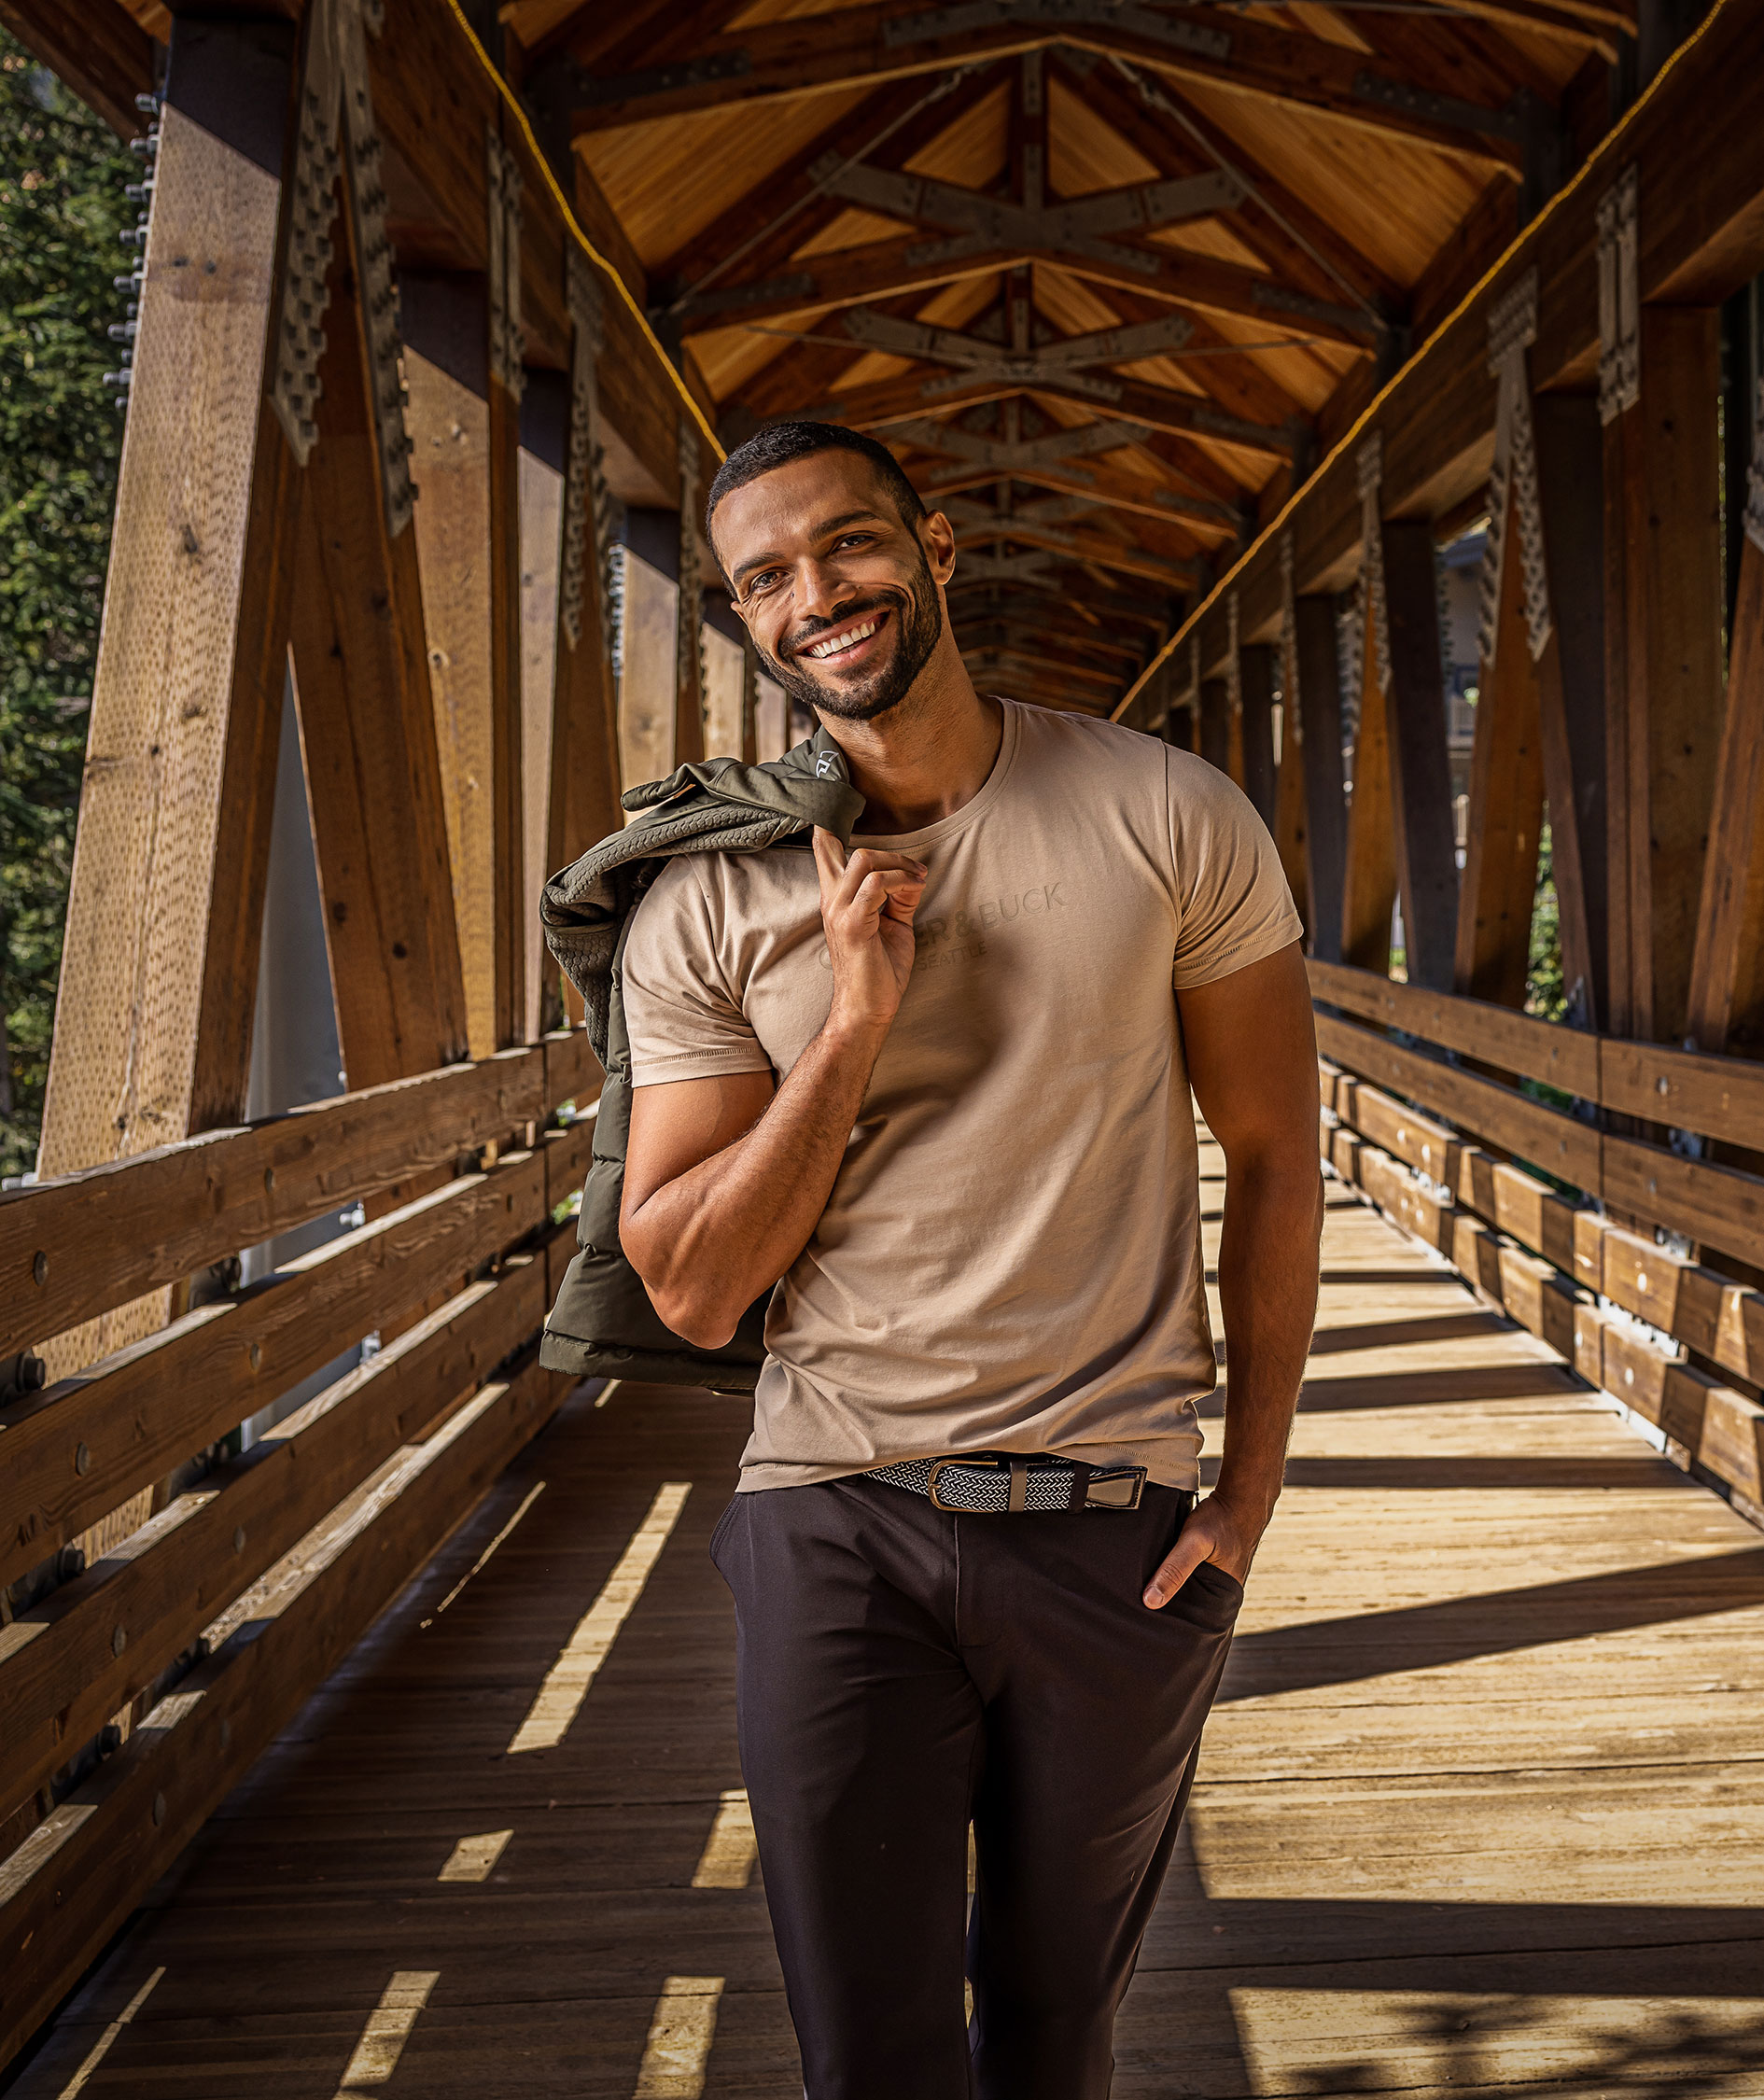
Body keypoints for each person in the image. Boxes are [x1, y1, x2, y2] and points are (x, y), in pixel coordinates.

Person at [617, 420, 1323, 2100]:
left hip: (1117, 1527)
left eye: (846, 546)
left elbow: (1280, 1155)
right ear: (740, 618)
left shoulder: (1167, 810)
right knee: (871, 2059)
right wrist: (852, 1025)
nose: (817, 597)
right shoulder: (706, 897)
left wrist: (1249, 1490)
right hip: (832, 1513)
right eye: (765, 578)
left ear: (932, 546)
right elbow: (697, 1285)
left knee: (1052, 2041)